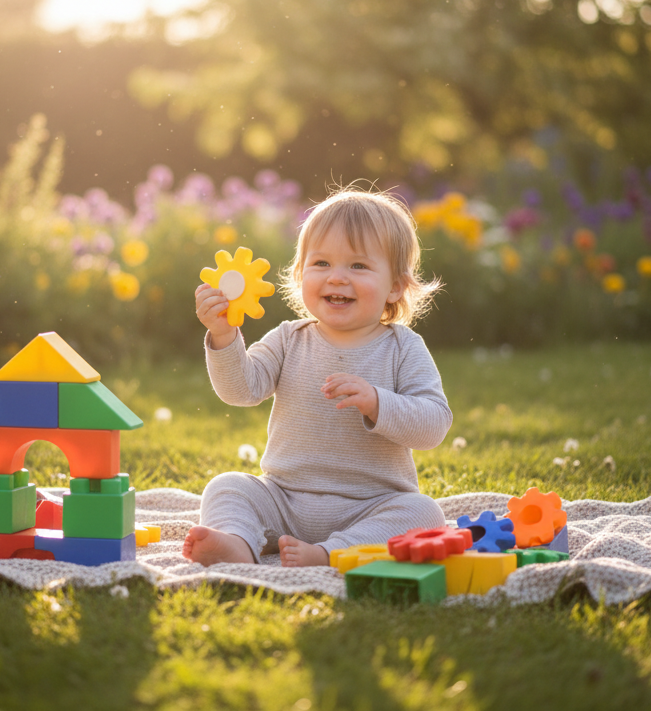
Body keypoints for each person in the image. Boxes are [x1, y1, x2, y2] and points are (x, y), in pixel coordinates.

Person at [183, 185, 452, 567]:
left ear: (395, 286)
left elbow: (434, 424)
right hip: (283, 500)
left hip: (370, 505)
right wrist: (224, 335)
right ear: (300, 273)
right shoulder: (288, 339)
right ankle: (237, 544)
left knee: (424, 512)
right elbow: (241, 390)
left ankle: (328, 553)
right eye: (322, 263)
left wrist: (378, 402)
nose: (337, 278)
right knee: (226, 486)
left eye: (358, 266)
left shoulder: (403, 347)